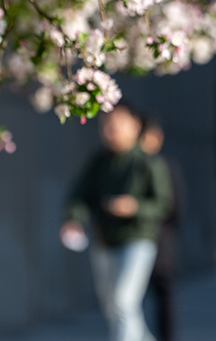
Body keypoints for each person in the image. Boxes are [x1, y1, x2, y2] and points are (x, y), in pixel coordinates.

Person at [60, 103, 173, 341]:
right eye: (107, 126)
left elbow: (163, 204)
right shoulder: (99, 162)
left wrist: (135, 206)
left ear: (135, 126)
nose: (112, 131)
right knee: (114, 306)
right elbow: (80, 195)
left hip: (137, 239)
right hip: (104, 241)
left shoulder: (148, 163)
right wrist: (74, 220)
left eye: (118, 124)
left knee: (123, 301)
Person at [139, 118, 181, 341]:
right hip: (138, 238)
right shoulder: (136, 166)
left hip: (160, 240)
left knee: (162, 292)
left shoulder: (164, 166)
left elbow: (174, 207)